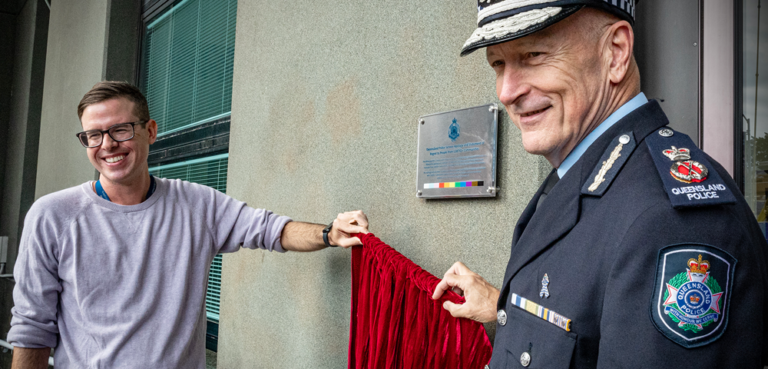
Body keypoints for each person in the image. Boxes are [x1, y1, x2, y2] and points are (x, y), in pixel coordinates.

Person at [432, 1, 768, 368]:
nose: (506, 91)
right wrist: (504, 311)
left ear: (616, 53)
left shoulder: (670, 223)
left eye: (533, 54)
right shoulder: (589, 176)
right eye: (498, 64)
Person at [7, 81, 369, 368]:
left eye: (120, 130)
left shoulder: (198, 204)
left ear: (150, 131)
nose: (107, 145)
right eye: (94, 135)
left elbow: (272, 229)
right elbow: (32, 326)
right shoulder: (52, 215)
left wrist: (329, 234)